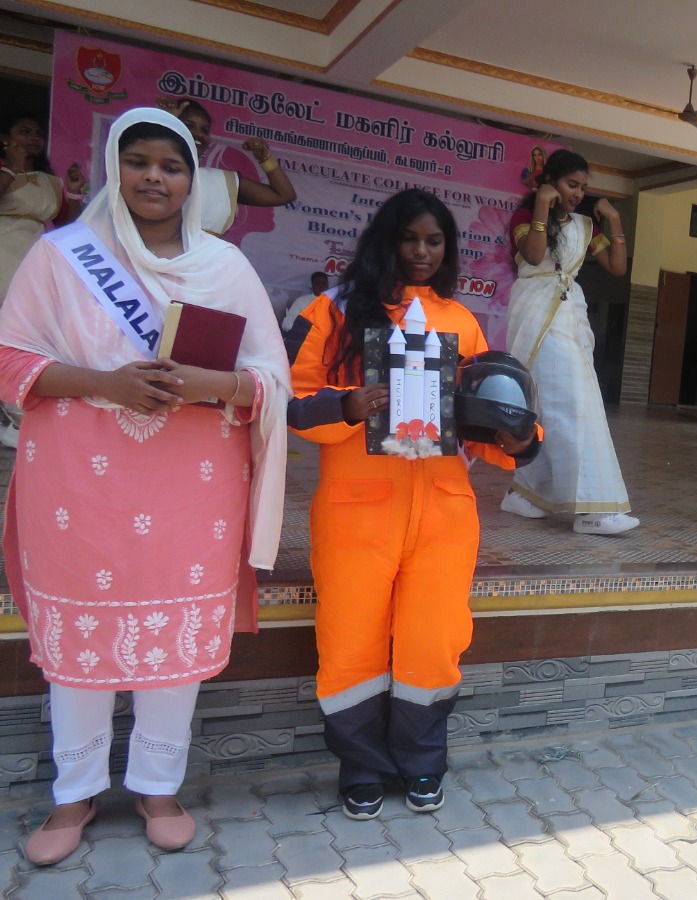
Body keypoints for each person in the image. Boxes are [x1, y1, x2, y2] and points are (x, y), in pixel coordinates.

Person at [0, 107, 289, 864]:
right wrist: (105, 382)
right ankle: (74, 794)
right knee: (80, 639)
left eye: (171, 165)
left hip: (191, 486)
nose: (154, 177)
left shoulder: (226, 267)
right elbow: (8, 358)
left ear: (194, 179)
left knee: (174, 632)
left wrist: (209, 383)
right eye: (138, 162)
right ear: (114, 168)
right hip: (78, 484)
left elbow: (270, 379)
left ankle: (158, 787)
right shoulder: (62, 255)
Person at [286, 188, 536, 819]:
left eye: (435, 241)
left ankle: (422, 762)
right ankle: (362, 768)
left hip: (444, 512)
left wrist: (519, 436)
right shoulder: (333, 310)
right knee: (350, 643)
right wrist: (347, 405)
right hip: (356, 510)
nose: (422, 251)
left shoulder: (461, 321)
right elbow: (291, 403)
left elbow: (486, 408)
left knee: (434, 641)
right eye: (410, 238)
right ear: (385, 240)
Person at [498, 150, 637, 534]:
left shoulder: (582, 226)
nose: (578, 194)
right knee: (569, 405)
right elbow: (534, 255)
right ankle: (590, 509)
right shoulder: (525, 217)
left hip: (568, 316)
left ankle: (526, 495)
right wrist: (542, 206)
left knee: (561, 405)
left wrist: (614, 220)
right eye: (571, 185)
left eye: (583, 187)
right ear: (549, 182)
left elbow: (617, 267)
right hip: (535, 312)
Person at [0, 114, 86, 448]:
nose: (34, 138)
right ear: (6, 138)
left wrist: (73, 192)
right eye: (24, 132)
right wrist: (12, 167)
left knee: (19, 335)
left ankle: (16, 417)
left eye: (38, 133)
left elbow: (65, 224)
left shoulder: (49, 181)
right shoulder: (4, 170)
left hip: (29, 256)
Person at [157, 98, 296, 236]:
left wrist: (265, 158)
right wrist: (164, 127)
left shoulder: (222, 180)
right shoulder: (153, 174)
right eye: (189, 126)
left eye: (205, 130)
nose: (199, 134)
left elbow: (283, 195)